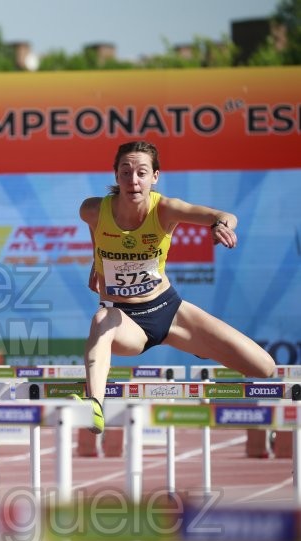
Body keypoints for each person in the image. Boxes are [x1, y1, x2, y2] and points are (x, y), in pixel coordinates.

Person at [76, 140, 276, 434]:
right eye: (126, 171)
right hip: (125, 321)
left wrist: (222, 225)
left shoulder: (165, 209)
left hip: (170, 311)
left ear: (154, 177)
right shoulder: (92, 210)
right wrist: (97, 264)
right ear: (115, 175)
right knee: (101, 320)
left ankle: (195, 343)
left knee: (264, 368)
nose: (134, 180)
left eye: (142, 173)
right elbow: (98, 235)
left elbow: (222, 215)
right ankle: (93, 406)